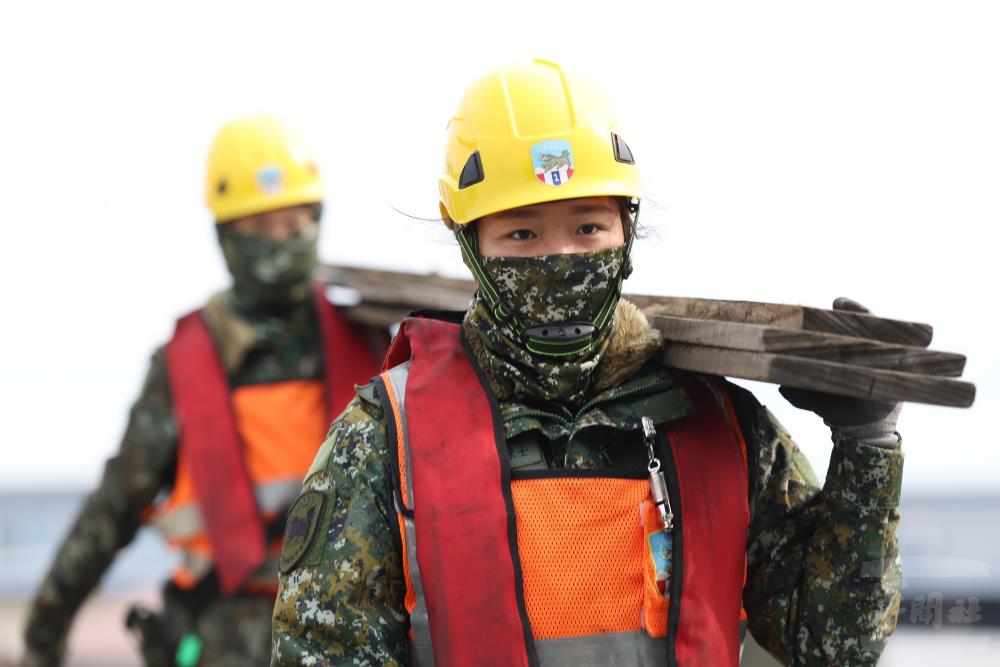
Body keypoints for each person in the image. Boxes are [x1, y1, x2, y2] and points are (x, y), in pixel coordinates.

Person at [271, 60, 904, 666]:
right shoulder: (386, 439)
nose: (561, 257)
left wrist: (867, 445)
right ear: (468, 241)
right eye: (522, 234)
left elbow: (832, 646)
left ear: (626, 231)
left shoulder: (718, 422)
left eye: (588, 228)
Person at [19, 114, 386, 667]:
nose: (282, 243)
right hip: (224, 639)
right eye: (261, 228)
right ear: (226, 235)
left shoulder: (376, 343)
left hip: (355, 635)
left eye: (296, 224)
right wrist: (44, 633)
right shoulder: (184, 367)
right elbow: (114, 507)